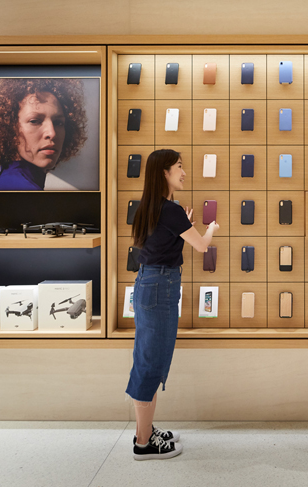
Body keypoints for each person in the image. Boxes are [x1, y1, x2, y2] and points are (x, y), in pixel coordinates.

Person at [127, 149, 219, 460]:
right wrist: (211, 229)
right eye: (179, 167)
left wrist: (184, 225)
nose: (183, 172)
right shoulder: (172, 211)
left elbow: (161, 242)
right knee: (151, 363)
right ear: (163, 172)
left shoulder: (151, 208)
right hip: (161, 286)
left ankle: (147, 429)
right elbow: (203, 247)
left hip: (148, 283)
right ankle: (143, 442)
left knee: (148, 358)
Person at [0, 78, 87, 190]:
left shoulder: (11, 180)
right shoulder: (19, 187)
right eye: (34, 121)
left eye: (58, 123)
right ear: (10, 129)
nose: (52, 133)